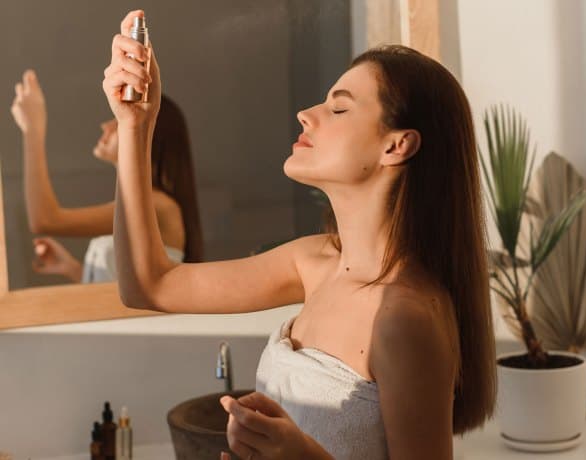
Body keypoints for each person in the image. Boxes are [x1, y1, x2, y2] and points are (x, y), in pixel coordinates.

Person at [104, 10, 497, 459]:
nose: (307, 114)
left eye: (339, 107)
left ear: (396, 145)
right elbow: (147, 285)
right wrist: (136, 125)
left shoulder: (405, 317)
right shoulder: (313, 262)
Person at [10, 70, 203, 283]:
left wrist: (33, 130)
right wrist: (74, 269)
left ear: (149, 134)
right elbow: (128, 290)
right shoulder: (147, 204)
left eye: (118, 119)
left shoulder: (159, 206)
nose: (106, 125)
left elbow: (45, 220)